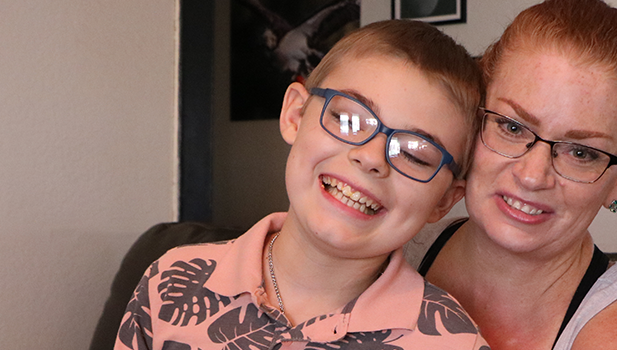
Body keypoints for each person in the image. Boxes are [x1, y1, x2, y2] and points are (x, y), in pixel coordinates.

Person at [115, 20, 488, 350]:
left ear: (445, 200)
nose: (372, 158)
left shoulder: (454, 341)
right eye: (349, 120)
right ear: (295, 115)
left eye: (415, 154)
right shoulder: (169, 281)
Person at [403, 1, 617, 349]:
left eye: (581, 153)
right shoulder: (388, 248)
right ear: (472, 121)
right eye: (511, 126)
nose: (533, 176)